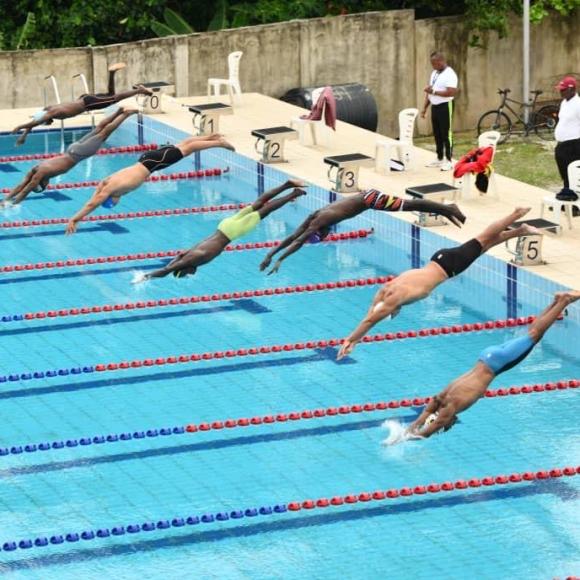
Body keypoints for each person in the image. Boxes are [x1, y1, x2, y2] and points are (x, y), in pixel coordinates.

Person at [337, 207, 540, 360]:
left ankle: (516, 215)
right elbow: (370, 314)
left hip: (450, 267)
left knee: (483, 240)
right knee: (484, 245)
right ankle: (520, 229)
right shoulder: (386, 290)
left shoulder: (395, 299)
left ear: (391, 308)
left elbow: (371, 321)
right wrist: (356, 334)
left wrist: (351, 340)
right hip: (439, 258)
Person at [393, 290, 579, 442]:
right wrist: (408, 429)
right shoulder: (440, 397)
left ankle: (563, 301)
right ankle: (556, 302)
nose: (449, 425)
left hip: (497, 363)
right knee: (530, 334)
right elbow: (424, 414)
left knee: (534, 335)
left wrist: (401, 439)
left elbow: (426, 431)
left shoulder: (449, 408)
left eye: (447, 426)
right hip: (487, 355)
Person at [259, 189, 466, 274]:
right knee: (409, 205)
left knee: (409, 205)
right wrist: (270, 254)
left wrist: (279, 260)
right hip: (367, 198)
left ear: (320, 232)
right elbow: (293, 237)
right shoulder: (315, 216)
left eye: (321, 237)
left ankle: (448, 209)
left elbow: (297, 242)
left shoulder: (321, 219)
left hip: (371, 199)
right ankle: (447, 210)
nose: (325, 237)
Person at [137, 179, 307, 281]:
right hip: (224, 225)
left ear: (184, 268)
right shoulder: (189, 254)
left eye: (185, 274)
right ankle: (288, 185)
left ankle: (293, 193)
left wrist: (146, 277)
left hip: (232, 232)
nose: (190, 274)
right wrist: (172, 265)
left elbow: (167, 270)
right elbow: (175, 260)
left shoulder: (191, 260)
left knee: (265, 210)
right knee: (258, 203)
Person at [65, 134, 234, 234]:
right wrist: (95, 196)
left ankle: (218, 143)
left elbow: (92, 203)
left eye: (113, 204)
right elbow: (97, 191)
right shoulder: (108, 182)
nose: (117, 203)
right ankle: (213, 137)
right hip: (146, 159)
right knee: (182, 145)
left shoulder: (111, 189)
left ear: (111, 199)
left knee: (186, 149)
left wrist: (75, 219)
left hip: (152, 164)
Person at [3, 108, 137, 206]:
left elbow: (26, 189)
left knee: (104, 133)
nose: (47, 184)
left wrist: (14, 204)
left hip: (78, 154)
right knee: (99, 128)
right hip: (72, 148)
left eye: (44, 186)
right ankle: (119, 111)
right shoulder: (36, 168)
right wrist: (6, 200)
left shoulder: (42, 174)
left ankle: (125, 114)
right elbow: (21, 185)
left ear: (41, 183)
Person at [11, 63, 152, 146]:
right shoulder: (49, 108)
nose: (45, 122)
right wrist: (24, 134)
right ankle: (112, 73)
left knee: (115, 98)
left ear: (47, 119)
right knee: (110, 94)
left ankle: (140, 90)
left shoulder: (54, 114)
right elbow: (35, 121)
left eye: (45, 122)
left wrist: (20, 127)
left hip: (88, 104)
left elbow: (35, 122)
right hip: (85, 99)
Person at [421, 52, 458, 172]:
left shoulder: (450, 74)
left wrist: (434, 92)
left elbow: (451, 92)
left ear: (441, 61)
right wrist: (425, 108)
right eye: (432, 63)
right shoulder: (434, 73)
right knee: (437, 133)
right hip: (435, 106)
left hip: (445, 105)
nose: (432, 66)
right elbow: (429, 91)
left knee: (446, 134)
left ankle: (449, 160)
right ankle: (439, 157)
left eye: (434, 63)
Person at [553, 75, 580, 202]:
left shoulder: (578, 104)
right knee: (564, 174)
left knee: (573, 174)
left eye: (563, 89)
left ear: (572, 89)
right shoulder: (564, 103)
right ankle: (567, 197)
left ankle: (574, 201)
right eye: (560, 89)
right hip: (561, 145)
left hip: (573, 145)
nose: (560, 91)